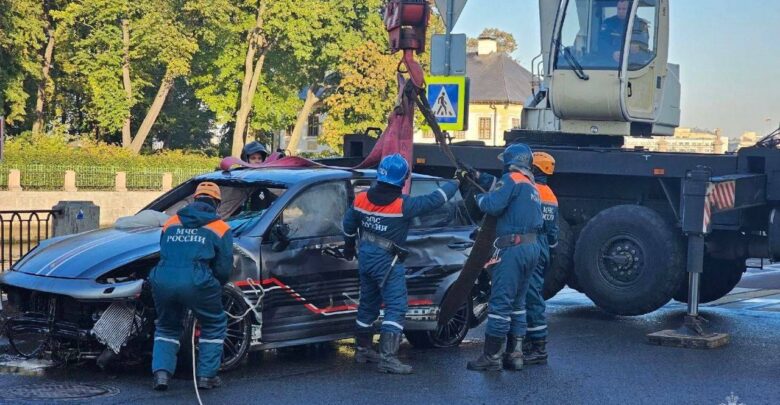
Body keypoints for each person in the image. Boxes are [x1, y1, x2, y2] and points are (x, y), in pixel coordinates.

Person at [342, 154, 458, 374]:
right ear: (402, 179)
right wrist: (455, 183)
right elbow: (436, 199)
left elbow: (348, 225)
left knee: (368, 303)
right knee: (396, 306)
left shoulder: (361, 198)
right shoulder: (402, 205)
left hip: (366, 256)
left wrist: (349, 247)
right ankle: (388, 358)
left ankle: (363, 349)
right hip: (388, 260)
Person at [463, 143, 543, 372]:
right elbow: (500, 188)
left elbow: (494, 204)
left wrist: (477, 196)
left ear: (510, 162)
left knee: (500, 303)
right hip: (531, 247)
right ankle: (515, 354)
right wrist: (478, 176)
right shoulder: (530, 185)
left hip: (512, 249)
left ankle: (491, 357)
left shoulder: (511, 180)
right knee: (518, 303)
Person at [150, 182, 233, 391]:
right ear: (216, 203)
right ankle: (207, 376)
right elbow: (223, 268)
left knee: (167, 325)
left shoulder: (171, 222)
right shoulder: (220, 227)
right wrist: (214, 286)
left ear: (194, 199)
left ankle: (161, 374)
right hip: (197, 281)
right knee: (213, 323)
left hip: (163, 279)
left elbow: (164, 251)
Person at [524, 152, 559, 366]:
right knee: (532, 293)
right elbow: (553, 232)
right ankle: (531, 341)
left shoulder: (531, 191)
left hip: (530, 242)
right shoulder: (550, 195)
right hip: (544, 245)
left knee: (529, 295)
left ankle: (537, 347)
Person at [599, 0, 650, 65]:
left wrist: (638, 48)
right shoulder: (609, 23)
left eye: (624, 9)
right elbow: (601, 43)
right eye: (619, 9)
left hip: (634, 66)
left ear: (631, 9)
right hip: (611, 64)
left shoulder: (641, 25)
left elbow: (644, 45)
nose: (621, 11)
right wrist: (612, 53)